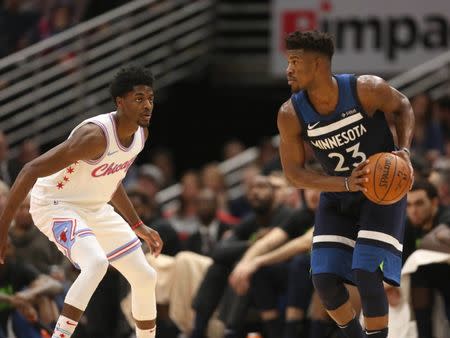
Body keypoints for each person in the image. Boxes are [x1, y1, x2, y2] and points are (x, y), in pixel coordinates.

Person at [0, 66, 163, 338]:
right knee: (96, 263)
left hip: (95, 208)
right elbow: (29, 169)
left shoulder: (140, 135)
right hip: (55, 204)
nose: (147, 105)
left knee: (145, 276)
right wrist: (3, 228)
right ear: (119, 102)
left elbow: (111, 179)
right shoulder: (94, 136)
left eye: (150, 98)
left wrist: (137, 224)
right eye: (138, 98)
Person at [277, 31, 415, 338]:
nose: (288, 69)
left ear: (318, 65)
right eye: (288, 61)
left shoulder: (366, 89)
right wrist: (344, 184)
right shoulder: (290, 113)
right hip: (340, 192)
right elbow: (294, 174)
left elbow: (403, 106)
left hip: (382, 192)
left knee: (366, 272)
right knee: (323, 278)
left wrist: (403, 152)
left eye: (295, 61)